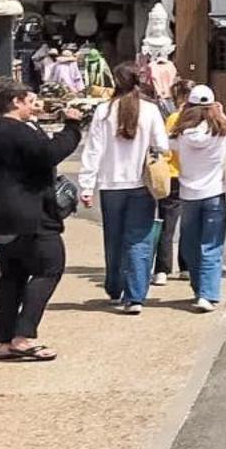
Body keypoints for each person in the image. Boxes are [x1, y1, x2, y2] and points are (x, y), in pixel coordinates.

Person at [0, 84, 83, 361]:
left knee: (12, 276)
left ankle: (5, 340)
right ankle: (23, 336)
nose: (36, 106)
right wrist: (72, 126)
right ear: (16, 102)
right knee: (49, 267)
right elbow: (49, 154)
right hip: (31, 217)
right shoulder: (19, 132)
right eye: (31, 101)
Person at [78, 63, 171, 313]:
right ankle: (135, 296)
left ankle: (115, 286)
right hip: (142, 182)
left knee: (114, 238)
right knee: (139, 239)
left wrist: (86, 185)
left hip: (111, 183)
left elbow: (93, 149)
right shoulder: (150, 110)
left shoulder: (103, 110)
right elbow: (162, 145)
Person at [170, 85, 226, 312]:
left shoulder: (181, 134)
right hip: (215, 194)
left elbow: (165, 144)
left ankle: (198, 288)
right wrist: (221, 114)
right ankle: (208, 294)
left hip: (189, 195)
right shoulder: (224, 131)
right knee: (211, 245)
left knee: (191, 244)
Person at [155, 78, 191, 286]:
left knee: (167, 225)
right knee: (188, 224)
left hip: (172, 174)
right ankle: (185, 266)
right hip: (192, 176)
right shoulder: (200, 119)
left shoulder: (173, 119)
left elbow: (165, 149)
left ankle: (162, 269)